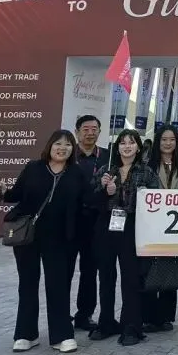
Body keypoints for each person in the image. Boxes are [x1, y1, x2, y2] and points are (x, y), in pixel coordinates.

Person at [0, 129, 87, 353]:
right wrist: (3, 190)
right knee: (27, 284)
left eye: (68, 145)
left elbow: (87, 200)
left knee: (58, 286)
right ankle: (26, 334)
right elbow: (15, 195)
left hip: (61, 238)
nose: (62, 148)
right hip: (28, 236)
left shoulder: (77, 173)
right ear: (49, 146)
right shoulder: (33, 168)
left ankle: (61, 335)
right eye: (58, 143)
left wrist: (106, 190)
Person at [91, 128, 160, 346]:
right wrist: (105, 191)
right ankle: (106, 322)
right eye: (122, 142)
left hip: (133, 226)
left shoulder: (146, 172)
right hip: (107, 225)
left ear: (138, 147)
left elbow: (157, 200)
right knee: (106, 276)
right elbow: (91, 200)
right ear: (117, 146)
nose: (127, 146)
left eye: (131, 142)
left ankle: (131, 326)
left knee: (130, 278)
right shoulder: (106, 170)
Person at [141, 126, 178, 332]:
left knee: (172, 267)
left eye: (172, 140)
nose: (168, 143)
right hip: (152, 224)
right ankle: (149, 316)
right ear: (157, 142)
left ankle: (166, 317)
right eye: (164, 140)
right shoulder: (147, 165)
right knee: (149, 269)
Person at [70, 115, 109, 332]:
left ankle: (85, 314)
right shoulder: (67, 154)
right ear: (77, 132)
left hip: (95, 221)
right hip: (69, 221)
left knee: (89, 270)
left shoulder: (107, 157)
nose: (90, 133)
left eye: (94, 129)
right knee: (64, 270)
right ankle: (60, 314)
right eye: (86, 129)